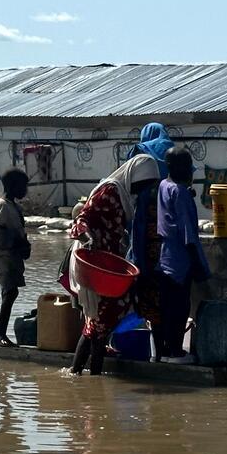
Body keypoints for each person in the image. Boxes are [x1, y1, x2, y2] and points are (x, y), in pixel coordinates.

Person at [67, 154, 160, 375]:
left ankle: (80, 374)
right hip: (95, 264)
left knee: (99, 322)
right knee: (100, 321)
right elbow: (84, 217)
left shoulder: (125, 194)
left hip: (111, 266)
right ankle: (89, 376)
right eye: (143, 185)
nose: (143, 190)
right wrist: (86, 236)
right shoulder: (109, 191)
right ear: (134, 177)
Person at [155, 147, 210, 362]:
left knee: (167, 308)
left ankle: (165, 352)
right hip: (180, 260)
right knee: (180, 308)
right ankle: (177, 352)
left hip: (165, 257)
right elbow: (188, 235)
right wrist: (199, 267)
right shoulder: (180, 192)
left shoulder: (163, 185)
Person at [0, 168, 31, 348]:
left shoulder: (13, 206)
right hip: (1, 255)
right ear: (13, 186)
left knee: (11, 292)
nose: (25, 190)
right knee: (10, 291)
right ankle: (0, 334)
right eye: (23, 186)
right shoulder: (1, 205)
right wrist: (15, 243)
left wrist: (24, 245)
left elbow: (18, 231)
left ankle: (1, 333)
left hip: (11, 255)